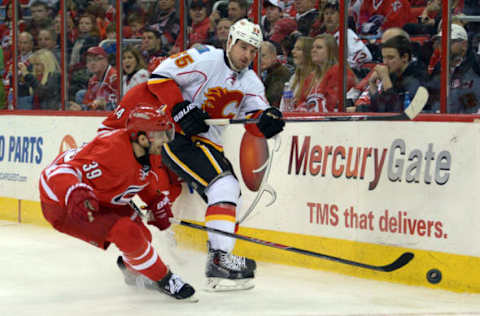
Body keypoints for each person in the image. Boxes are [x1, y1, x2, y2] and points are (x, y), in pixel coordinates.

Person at [147, 18, 285, 291]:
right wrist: (180, 108)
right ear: (230, 42)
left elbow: (256, 116)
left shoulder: (251, 81)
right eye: (243, 47)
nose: (247, 55)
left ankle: (214, 261)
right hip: (178, 139)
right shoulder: (204, 58)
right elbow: (159, 77)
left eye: (253, 50)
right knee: (224, 184)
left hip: (210, 146)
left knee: (230, 193)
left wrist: (269, 120)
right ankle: (219, 261)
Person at [39, 105, 197, 301]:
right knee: (126, 232)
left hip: (101, 195)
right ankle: (165, 280)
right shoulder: (110, 150)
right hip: (63, 203)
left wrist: (154, 200)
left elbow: (140, 177)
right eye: (160, 133)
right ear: (141, 138)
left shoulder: (148, 150)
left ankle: (132, 270)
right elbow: (55, 173)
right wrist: (74, 191)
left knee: (143, 237)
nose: (165, 138)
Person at [363, 35, 427, 112]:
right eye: (383, 57)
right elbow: (380, 108)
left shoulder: (417, 76)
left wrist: (385, 78)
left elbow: (396, 110)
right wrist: (372, 83)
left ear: (405, 57)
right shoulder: (394, 74)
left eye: (390, 58)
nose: (385, 62)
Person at [296, 33, 357, 112]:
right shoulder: (311, 77)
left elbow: (332, 105)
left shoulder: (339, 71)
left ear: (331, 51)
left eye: (319, 47)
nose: (313, 50)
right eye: (312, 48)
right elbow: (301, 102)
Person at [427, 24, 480, 113]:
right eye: (440, 43)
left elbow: (472, 110)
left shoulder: (475, 68)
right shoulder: (438, 68)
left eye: (448, 42)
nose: (442, 47)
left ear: (464, 45)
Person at [69, 46, 118, 111]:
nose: (92, 63)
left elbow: (117, 104)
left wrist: (83, 108)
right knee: (80, 94)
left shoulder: (114, 77)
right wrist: (81, 107)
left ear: (105, 61)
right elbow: (87, 101)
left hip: (112, 113)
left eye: (96, 59)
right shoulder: (93, 79)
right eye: (89, 60)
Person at [279, 36, 315, 111]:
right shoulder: (294, 77)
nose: (293, 51)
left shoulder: (315, 79)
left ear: (308, 53)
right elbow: (284, 107)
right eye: (294, 48)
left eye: (298, 49)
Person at [261, 41, 291, 107]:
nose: (260, 59)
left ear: (274, 56)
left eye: (263, 55)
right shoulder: (264, 72)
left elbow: (272, 98)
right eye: (258, 56)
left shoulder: (282, 72)